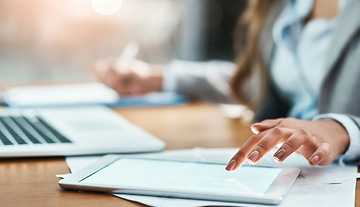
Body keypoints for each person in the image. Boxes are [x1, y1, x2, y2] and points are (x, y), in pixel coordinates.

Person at [93, 0, 360, 171]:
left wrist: (343, 130)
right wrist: (159, 78)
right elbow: (256, 82)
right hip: (288, 170)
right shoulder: (283, 6)